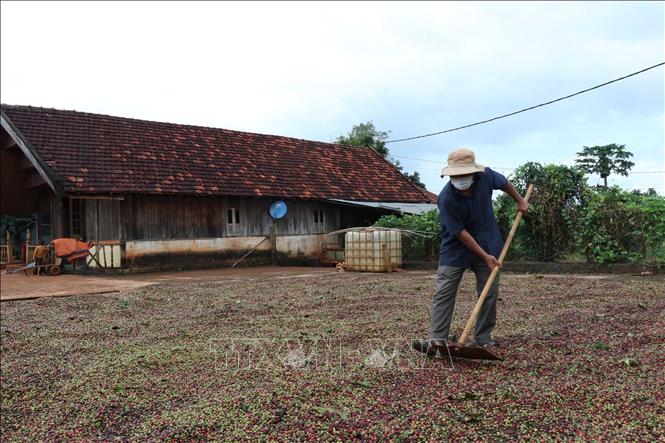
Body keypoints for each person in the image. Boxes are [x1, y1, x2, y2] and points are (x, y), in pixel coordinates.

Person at [412, 148, 528, 354]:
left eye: (464, 174)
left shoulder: (487, 177)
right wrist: (484, 255)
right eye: (456, 175)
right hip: (456, 246)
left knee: (489, 290)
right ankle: (437, 340)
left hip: (487, 241)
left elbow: (505, 184)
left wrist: (519, 200)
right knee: (444, 291)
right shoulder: (446, 198)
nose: (460, 179)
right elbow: (460, 232)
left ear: (474, 172)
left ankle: (482, 339)